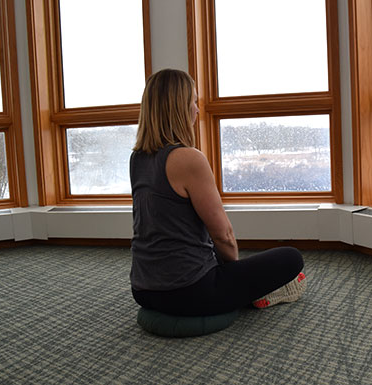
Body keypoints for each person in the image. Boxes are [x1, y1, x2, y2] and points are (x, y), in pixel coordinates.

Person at [129, 68, 306, 317]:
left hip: (142, 290)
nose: (197, 109)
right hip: (190, 291)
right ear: (179, 108)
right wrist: (236, 275)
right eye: (193, 101)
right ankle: (249, 295)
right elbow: (223, 235)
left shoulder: (137, 158)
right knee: (291, 258)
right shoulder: (189, 159)